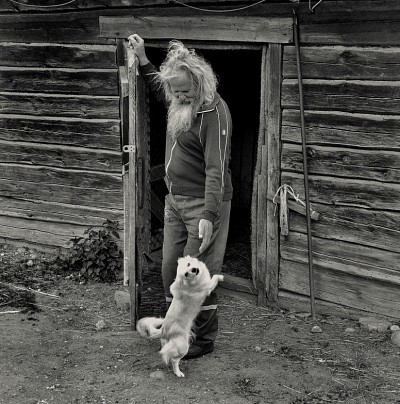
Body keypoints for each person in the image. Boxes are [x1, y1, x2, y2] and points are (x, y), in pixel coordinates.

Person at [128, 34, 233, 359]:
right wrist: (143, 59)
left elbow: (216, 169)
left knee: (195, 276)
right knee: (169, 270)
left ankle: (204, 339)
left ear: (200, 83)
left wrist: (209, 215)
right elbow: (161, 86)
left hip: (204, 204)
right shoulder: (180, 101)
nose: (178, 96)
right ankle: (178, 329)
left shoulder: (214, 114)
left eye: (184, 91)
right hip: (175, 201)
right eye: (174, 92)